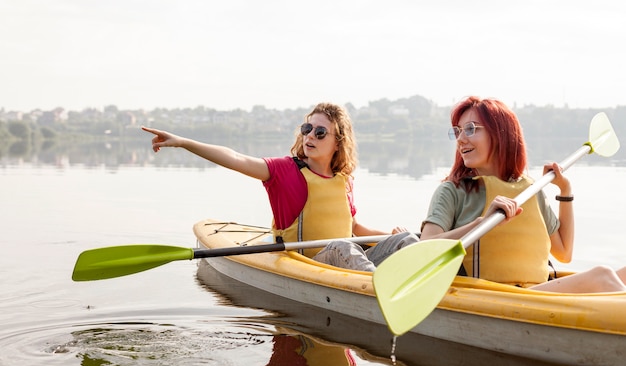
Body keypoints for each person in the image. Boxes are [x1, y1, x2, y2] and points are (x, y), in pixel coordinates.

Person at [143, 102, 418, 272]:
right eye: (307, 128)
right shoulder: (286, 172)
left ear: (338, 142)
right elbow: (236, 158)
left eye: (320, 132)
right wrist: (184, 142)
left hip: (348, 258)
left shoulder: (343, 179)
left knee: (408, 241)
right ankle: (381, 290)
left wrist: (389, 237)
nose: (310, 135)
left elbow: (354, 228)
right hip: (310, 264)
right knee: (342, 247)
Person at [420, 96, 626, 293]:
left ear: (499, 134)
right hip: (495, 296)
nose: (461, 139)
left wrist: (565, 190)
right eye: (458, 132)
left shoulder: (530, 191)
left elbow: (564, 252)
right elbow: (425, 249)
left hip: (535, 294)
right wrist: (480, 224)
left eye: (470, 129)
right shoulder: (453, 191)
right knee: (602, 276)